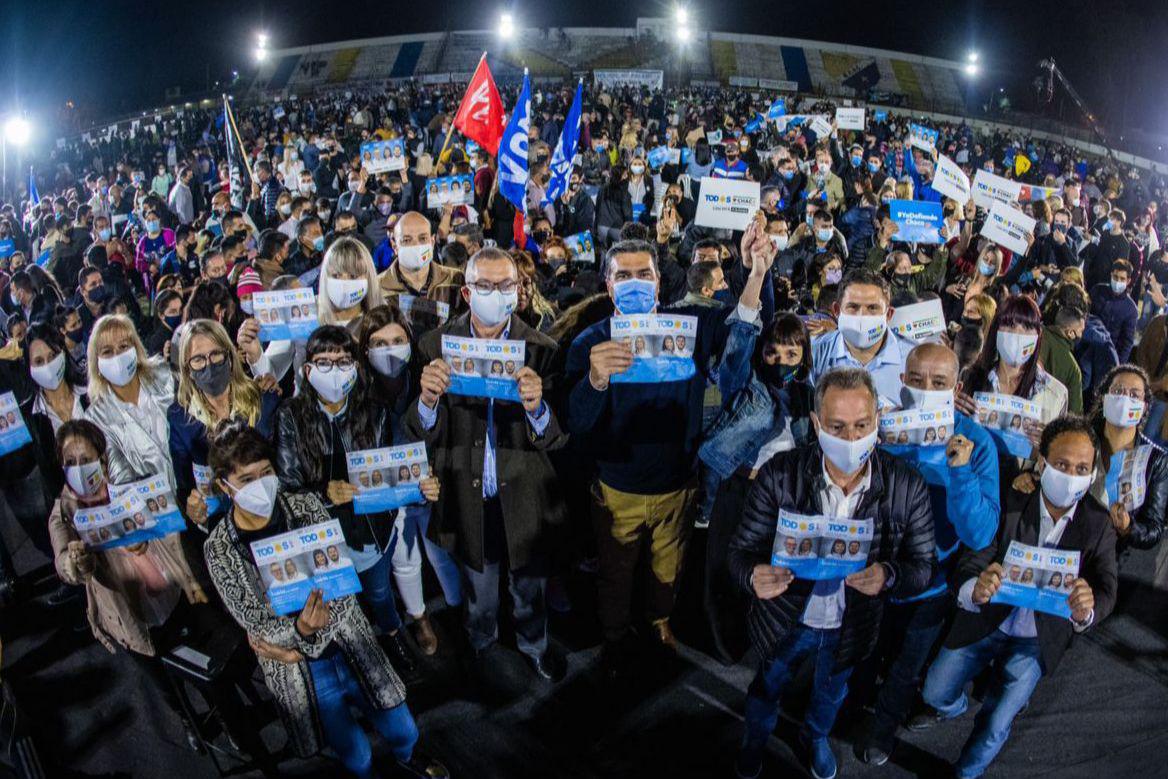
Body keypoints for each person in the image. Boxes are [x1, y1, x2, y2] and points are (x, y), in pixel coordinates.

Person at [564, 226, 773, 667]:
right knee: (616, 572)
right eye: (624, 276)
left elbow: (742, 327)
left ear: (659, 281)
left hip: (678, 484)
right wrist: (595, 379)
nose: (635, 283)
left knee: (668, 568)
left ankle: (659, 621)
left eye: (644, 274)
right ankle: (614, 635)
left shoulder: (689, 327)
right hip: (617, 489)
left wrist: (754, 274)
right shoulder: (590, 342)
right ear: (608, 285)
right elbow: (576, 424)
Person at [202, 421, 447, 779]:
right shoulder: (220, 549)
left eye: (266, 473)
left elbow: (343, 588)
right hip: (301, 673)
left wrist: (301, 643)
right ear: (225, 486)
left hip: (347, 643)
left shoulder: (305, 506)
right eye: (247, 479)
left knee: (404, 729)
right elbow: (255, 622)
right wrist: (300, 634)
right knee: (356, 755)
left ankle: (407, 757)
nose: (260, 485)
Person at [727, 367, 936, 779]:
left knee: (830, 693)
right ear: (817, 422)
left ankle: (815, 737)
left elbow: (923, 566)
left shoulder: (907, 485)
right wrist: (752, 576)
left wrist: (889, 576)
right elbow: (739, 552)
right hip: (786, 618)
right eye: (837, 427)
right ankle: (755, 739)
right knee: (767, 687)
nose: (851, 438)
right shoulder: (780, 474)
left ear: (878, 420)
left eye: (862, 425)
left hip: (851, 624)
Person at [49, 419, 271, 762]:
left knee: (213, 669)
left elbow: (170, 529)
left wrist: (153, 541)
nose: (79, 468)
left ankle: (237, 727)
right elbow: (68, 565)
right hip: (136, 624)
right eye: (71, 462)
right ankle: (188, 721)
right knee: (167, 687)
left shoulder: (129, 487)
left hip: (175, 597)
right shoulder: (64, 515)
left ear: (102, 459)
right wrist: (78, 562)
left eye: (86, 459)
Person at [912, 416, 1117, 779]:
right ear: (1042, 462)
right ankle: (956, 707)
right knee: (934, 692)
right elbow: (977, 553)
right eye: (1062, 464)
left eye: (1081, 468)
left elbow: (1106, 587)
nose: (1071, 475)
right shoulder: (1013, 496)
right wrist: (975, 586)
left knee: (996, 724)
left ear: (1092, 474)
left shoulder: (1098, 523)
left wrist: (1087, 610)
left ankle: (966, 773)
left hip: (1038, 638)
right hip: (987, 617)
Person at [406, 247, 567, 682]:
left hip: (524, 495)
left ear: (518, 289)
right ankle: (482, 644)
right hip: (466, 492)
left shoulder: (543, 349)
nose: (496, 293)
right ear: (466, 292)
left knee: (528, 587)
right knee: (478, 589)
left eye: (505, 285)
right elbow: (419, 432)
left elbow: (558, 437)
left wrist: (537, 408)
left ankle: (534, 645)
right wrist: (427, 400)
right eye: (485, 285)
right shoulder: (433, 345)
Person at [855, 343, 1001, 765]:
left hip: (933, 584)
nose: (926, 388)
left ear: (956, 388)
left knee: (907, 666)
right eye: (917, 380)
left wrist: (959, 471)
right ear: (902, 381)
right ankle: (851, 706)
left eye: (939, 382)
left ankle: (882, 731)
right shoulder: (884, 429)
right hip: (876, 571)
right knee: (865, 651)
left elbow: (979, 533)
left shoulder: (976, 442)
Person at [276, 325, 436, 674]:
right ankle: (353, 656)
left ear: (355, 366)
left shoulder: (376, 412)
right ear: (308, 369)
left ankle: (393, 634)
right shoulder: (290, 415)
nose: (334, 370)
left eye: (343, 361)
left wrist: (421, 487)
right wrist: (324, 494)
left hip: (372, 534)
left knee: (379, 593)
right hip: (324, 538)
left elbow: (399, 471)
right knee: (334, 603)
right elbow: (287, 487)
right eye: (324, 362)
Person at [699, 313, 815, 662]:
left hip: (782, 498)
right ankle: (725, 644)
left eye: (791, 354)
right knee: (724, 568)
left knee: (768, 570)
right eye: (772, 352)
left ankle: (762, 638)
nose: (781, 362)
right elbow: (734, 356)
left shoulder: (807, 397)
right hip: (739, 489)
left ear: (804, 358)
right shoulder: (745, 386)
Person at [357, 305, 463, 655]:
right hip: (389, 495)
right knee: (405, 560)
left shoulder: (423, 378)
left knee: (441, 553)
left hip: (430, 486)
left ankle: (458, 609)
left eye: (397, 340)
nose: (390, 350)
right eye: (379, 343)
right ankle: (420, 618)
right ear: (365, 349)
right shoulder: (358, 392)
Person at [169, 319, 281, 536]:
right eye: (198, 359)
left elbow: (284, 464)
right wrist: (192, 507)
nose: (209, 365)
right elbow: (184, 485)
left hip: (271, 519)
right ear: (187, 369)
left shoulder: (263, 398)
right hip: (221, 529)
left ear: (229, 357)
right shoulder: (179, 418)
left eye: (216, 354)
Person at [957, 295, 1068, 472]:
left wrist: (1049, 446)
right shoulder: (971, 376)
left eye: (1027, 328)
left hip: (1021, 483)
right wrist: (955, 413)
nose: (1017, 335)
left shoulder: (1056, 393)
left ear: (1037, 336)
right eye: (1009, 325)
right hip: (974, 476)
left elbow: (1059, 462)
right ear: (996, 331)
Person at [83, 314, 177, 486]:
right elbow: (118, 470)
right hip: (152, 500)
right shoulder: (95, 417)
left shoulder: (164, 375)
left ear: (135, 348)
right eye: (107, 351)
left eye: (123, 346)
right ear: (97, 362)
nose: (117, 356)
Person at [1084, 365, 1166, 554]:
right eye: (1118, 391)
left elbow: (1153, 528)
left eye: (1134, 395)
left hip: (1109, 556)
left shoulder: (1155, 460)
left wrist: (1129, 527)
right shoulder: (1079, 438)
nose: (1125, 399)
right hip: (1066, 544)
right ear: (1104, 397)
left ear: (1144, 407)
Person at [811, 268, 915, 409]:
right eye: (853, 307)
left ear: (888, 314)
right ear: (836, 310)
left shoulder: (913, 357)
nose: (862, 316)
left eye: (872, 308)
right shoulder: (815, 353)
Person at [378, 211, 464, 323]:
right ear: (395, 247)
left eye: (423, 239)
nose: (416, 245)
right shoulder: (378, 286)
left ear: (432, 242)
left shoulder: (455, 278)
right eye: (407, 240)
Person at [317, 236, 386, 334]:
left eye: (353, 276)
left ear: (368, 278)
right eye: (336, 275)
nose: (344, 283)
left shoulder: (383, 322)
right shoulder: (311, 320)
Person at [1089, 259, 1138, 362]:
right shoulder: (1097, 290)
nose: (1118, 281)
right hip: (1087, 347)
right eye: (1115, 277)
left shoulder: (1131, 309)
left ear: (1128, 281)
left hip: (1107, 356)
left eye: (1122, 279)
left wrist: (1118, 365)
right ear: (1111, 275)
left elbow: (1127, 342)